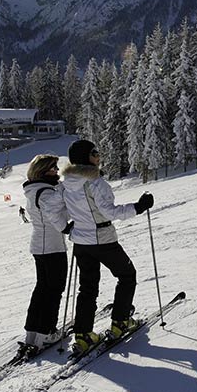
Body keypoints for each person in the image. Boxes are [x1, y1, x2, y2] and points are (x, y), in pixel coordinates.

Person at [60, 139, 153, 356]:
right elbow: (110, 213)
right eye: (95, 152)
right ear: (85, 157)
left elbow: (60, 211)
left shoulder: (65, 184)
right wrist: (138, 207)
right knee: (127, 275)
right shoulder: (95, 182)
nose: (99, 156)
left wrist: (67, 228)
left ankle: (83, 336)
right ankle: (120, 322)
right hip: (102, 239)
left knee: (88, 286)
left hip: (81, 242)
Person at [18, 153, 73, 359]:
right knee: (54, 289)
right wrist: (68, 228)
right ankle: (47, 331)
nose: (57, 172)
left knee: (42, 289)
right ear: (42, 171)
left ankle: (32, 331)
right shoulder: (46, 193)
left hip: (40, 245)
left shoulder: (36, 190)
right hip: (52, 247)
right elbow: (55, 215)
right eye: (53, 169)